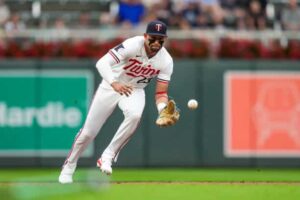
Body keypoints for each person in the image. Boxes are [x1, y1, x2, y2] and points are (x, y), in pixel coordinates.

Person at [58, 20, 174, 184]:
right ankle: (69, 167)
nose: (156, 42)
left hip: (135, 89)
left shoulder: (166, 60)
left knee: (134, 116)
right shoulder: (132, 44)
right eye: (153, 38)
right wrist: (114, 82)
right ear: (145, 36)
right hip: (111, 85)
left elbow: (161, 92)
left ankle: (107, 156)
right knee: (88, 133)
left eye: (160, 39)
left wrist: (162, 110)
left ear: (165, 39)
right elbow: (102, 63)